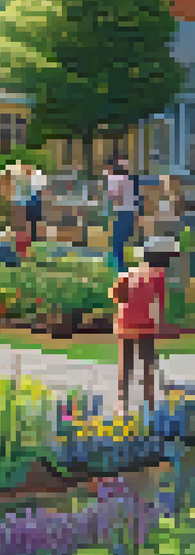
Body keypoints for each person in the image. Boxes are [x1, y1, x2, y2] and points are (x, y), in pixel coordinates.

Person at [110, 236, 178, 413]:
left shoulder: (132, 271)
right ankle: (149, 403)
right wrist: (161, 326)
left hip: (124, 322)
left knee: (126, 364)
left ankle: (121, 403)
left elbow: (116, 295)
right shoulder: (158, 274)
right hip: (143, 324)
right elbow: (159, 303)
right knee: (148, 363)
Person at [108, 157, 138, 272]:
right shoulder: (129, 180)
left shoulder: (115, 179)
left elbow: (115, 197)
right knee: (126, 241)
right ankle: (125, 266)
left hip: (120, 212)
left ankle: (120, 268)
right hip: (130, 212)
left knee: (117, 242)